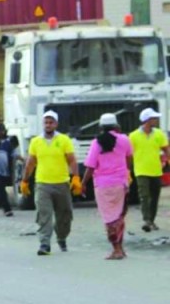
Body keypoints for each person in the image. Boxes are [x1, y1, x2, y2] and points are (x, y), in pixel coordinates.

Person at [20, 110, 82, 255]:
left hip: (62, 184)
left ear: (56, 124)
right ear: (43, 124)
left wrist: (76, 178)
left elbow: (72, 160)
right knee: (44, 214)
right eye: (46, 122)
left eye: (51, 122)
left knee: (64, 215)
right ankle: (44, 244)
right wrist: (24, 181)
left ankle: (61, 237)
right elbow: (30, 163)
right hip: (42, 184)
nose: (48, 125)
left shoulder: (64, 140)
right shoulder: (36, 142)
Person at [80, 113, 133, 260]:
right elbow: (129, 157)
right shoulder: (124, 140)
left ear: (101, 127)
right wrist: (126, 173)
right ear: (117, 126)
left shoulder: (96, 143)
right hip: (121, 184)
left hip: (103, 186)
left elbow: (90, 167)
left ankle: (116, 249)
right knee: (119, 217)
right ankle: (120, 248)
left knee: (109, 218)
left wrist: (83, 183)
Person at [128, 107, 169, 232]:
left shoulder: (159, 134)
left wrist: (165, 161)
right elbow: (129, 154)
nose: (156, 120)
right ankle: (147, 220)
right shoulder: (133, 136)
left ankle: (151, 220)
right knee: (144, 196)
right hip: (141, 171)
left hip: (156, 170)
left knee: (154, 197)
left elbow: (166, 149)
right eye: (154, 118)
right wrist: (128, 169)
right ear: (146, 120)